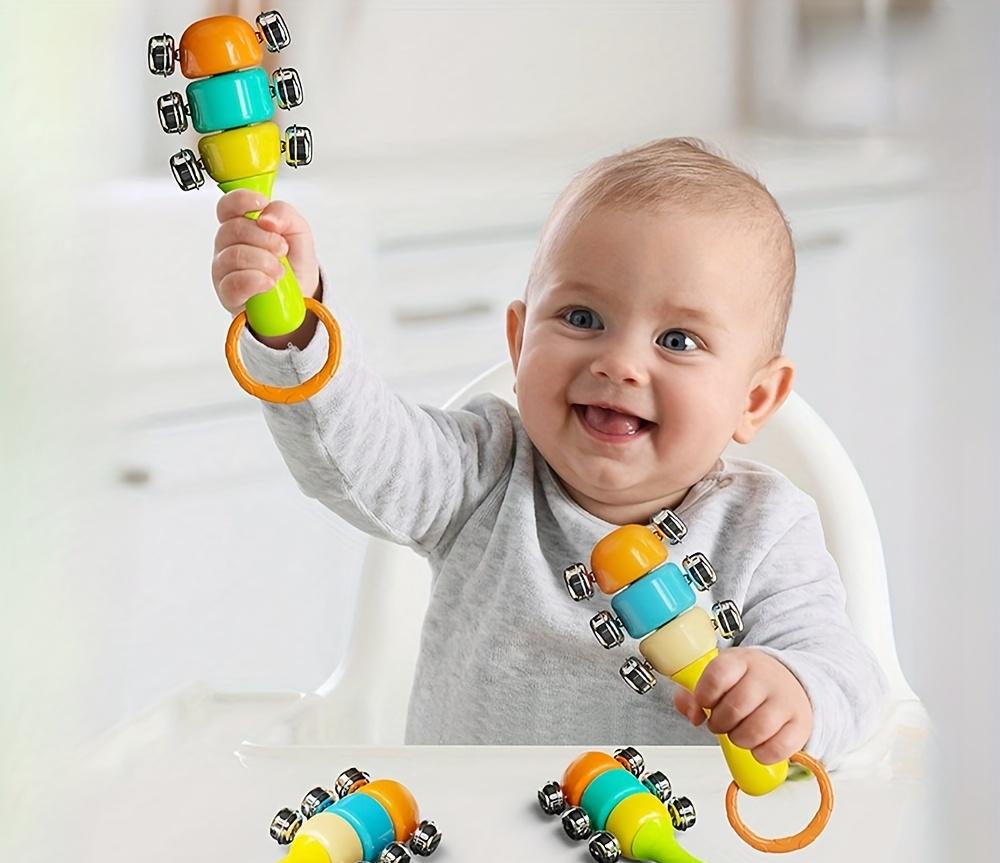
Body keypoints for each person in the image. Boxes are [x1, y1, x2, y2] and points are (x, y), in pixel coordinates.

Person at [210, 136, 888, 763]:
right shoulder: (480, 475)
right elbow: (357, 453)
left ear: (756, 400)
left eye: (678, 340)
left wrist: (792, 691)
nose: (620, 362)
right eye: (582, 318)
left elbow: (849, 674)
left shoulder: (766, 529)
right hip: (468, 854)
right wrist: (291, 328)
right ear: (519, 341)